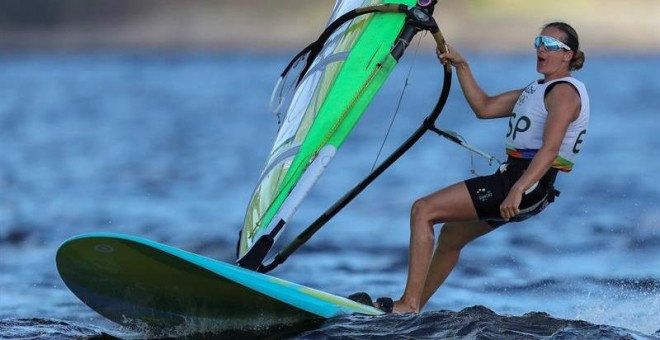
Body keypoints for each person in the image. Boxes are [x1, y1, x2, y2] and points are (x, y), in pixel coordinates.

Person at [390, 22, 590, 313]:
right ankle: (415, 306)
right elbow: (484, 107)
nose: (541, 48)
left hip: (523, 183)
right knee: (451, 236)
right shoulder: (539, 89)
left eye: (550, 44)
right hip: (525, 186)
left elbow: (550, 150)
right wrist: (462, 65)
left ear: (568, 55)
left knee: (423, 210)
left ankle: (407, 304)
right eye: (539, 41)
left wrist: (517, 190)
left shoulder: (564, 93)